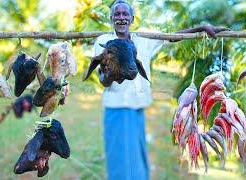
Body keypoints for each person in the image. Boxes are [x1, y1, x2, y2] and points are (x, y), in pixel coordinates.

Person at [93, 1, 227, 179]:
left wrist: (201, 28)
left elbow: (172, 36)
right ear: (111, 18)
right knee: (120, 161)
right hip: (117, 109)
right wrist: (114, 71)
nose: (121, 18)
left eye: (125, 14)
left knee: (137, 160)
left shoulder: (142, 39)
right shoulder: (103, 42)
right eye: (117, 14)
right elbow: (103, 81)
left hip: (137, 108)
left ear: (132, 19)